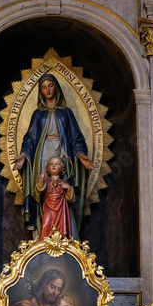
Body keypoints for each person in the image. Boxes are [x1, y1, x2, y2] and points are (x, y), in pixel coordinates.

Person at [13, 73, 94, 236]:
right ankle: (43, 234)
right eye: (43, 87)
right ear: (40, 92)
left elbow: (76, 137)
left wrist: (81, 155)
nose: (47, 90)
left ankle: (66, 232)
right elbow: (30, 138)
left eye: (50, 86)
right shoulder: (38, 113)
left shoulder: (67, 113)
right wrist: (23, 155)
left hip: (63, 155)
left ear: (56, 87)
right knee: (44, 188)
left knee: (61, 192)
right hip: (42, 156)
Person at [35, 156, 74, 241]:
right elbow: (39, 190)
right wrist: (41, 180)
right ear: (48, 168)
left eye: (57, 164)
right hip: (48, 207)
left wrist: (68, 188)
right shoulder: (46, 180)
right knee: (46, 223)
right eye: (51, 164)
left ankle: (61, 241)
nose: (53, 166)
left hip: (61, 208)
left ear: (62, 169)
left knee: (61, 225)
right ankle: (44, 242)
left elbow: (70, 198)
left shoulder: (63, 182)